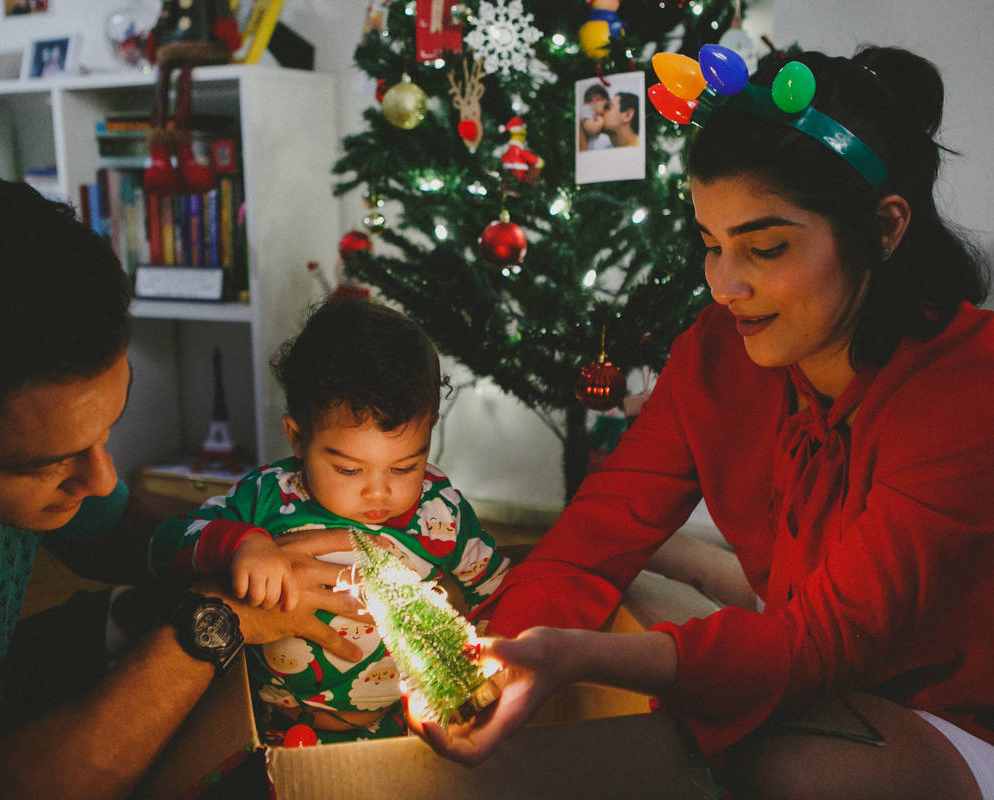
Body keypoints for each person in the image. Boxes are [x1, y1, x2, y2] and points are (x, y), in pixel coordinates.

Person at [415, 46, 994, 800]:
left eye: (766, 247)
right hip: (806, 654)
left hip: (952, 712)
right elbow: (592, 541)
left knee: (774, 769)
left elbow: (822, 643)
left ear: (884, 229)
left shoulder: (964, 388)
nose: (725, 285)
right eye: (710, 244)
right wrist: (492, 665)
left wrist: (575, 658)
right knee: (612, 649)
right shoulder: (717, 353)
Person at [0, 172, 367, 798]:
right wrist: (212, 622)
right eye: (47, 463)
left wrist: (235, 546)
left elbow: (117, 534)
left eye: (107, 431)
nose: (102, 479)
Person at [148, 298, 509, 744]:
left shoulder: (441, 511)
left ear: (431, 428)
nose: (379, 492)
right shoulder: (267, 496)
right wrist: (240, 544)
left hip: (401, 730)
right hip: (268, 728)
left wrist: (483, 655)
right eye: (348, 470)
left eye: (404, 467)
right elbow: (165, 545)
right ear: (298, 438)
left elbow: (501, 590)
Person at [579, 83, 612, 151]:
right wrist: (601, 120)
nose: (605, 112)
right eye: (605, 107)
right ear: (597, 99)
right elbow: (591, 130)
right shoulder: (586, 108)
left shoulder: (591, 114)